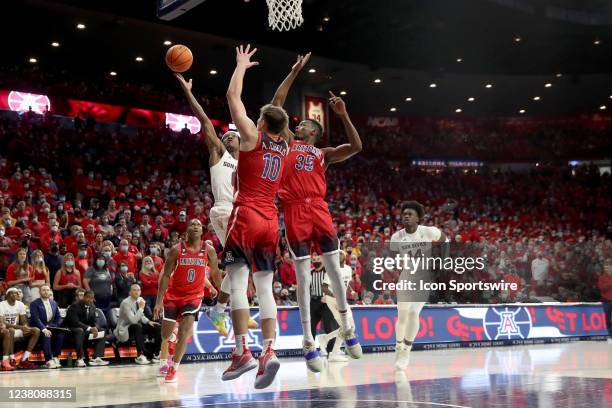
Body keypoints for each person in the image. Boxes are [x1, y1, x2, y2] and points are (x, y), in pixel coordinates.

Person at [271, 54, 363, 371]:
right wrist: (294, 69)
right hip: (294, 209)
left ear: (314, 131)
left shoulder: (323, 153)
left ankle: (348, 326)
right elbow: (276, 104)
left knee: (334, 270)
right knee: (301, 276)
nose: (300, 124)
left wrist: (344, 114)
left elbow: (356, 146)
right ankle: (308, 341)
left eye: (305, 124)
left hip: (318, 208)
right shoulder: (285, 142)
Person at [221, 44, 289, 389]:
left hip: (246, 213)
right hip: (270, 221)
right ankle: (269, 351)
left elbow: (233, 96)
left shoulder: (252, 136)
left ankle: (242, 351)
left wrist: (241, 66)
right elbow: (279, 111)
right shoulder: (285, 146)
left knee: (236, 284)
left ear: (261, 122)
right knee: (265, 287)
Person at [174, 73, 258, 336]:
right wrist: (188, 92)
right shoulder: (218, 154)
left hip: (239, 212)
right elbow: (204, 120)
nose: (229, 137)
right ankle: (223, 311)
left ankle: (225, 310)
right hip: (224, 210)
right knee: (240, 263)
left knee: (241, 264)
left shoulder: (244, 161)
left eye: (233, 136)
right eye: (226, 136)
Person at [154, 219, 218, 383]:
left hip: (194, 296)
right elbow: (166, 275)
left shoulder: (209, 250)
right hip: (173, 295)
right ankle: (170, 343)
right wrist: (159, 300)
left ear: (202, 231)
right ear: (187, 230)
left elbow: (214, 272)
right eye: (192, 224)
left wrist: (216, 289)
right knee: (165, 334)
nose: (196, 226)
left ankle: (173, 369)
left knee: (184, 331)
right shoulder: (176, 250)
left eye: (198, 224)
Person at [390, 201, 446, 370]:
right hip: (406, 277)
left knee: (414, 312)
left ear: (418, 218)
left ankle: (406, 350)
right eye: (404, 213)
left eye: (410, 214)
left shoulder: (429, 231)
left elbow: (446, 241)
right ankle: (398, 345)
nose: (406, 216)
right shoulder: (396, 237)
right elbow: (392, 259)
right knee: (402, 316)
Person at [320, 251, 354, 362]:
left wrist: (351, 291)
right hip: (333, 300)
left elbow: (346, 283)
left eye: (341, 253)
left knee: (350, 327)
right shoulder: (331, 270)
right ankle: (334, 353)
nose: (338, 255)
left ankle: (325, 339)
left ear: (345, 256)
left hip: (342, 299)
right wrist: (333, 295)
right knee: (346, 327)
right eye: (337, 254)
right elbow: (324, 287)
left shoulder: (348, 269)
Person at [114, 284, 161, 364]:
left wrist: (148, 321)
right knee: (137, 326)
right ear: (129, 292)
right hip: (125, 329)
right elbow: (133, 321)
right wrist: (142, 308)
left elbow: (141, 316)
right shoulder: (125, 303)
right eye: (134, 290)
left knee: (156, 326)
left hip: (136, 327)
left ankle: (157, 353)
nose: (137, 292)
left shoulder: (140, 300)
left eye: (138, 290)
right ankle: (140, 355)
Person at [61, 290, 109, 367]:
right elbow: (75, 322)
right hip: (71, 330)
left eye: (92, 298)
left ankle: (96, 358)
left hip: (85, 330)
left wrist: (95, 328)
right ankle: (80, 358)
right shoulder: (74, 306)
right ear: (84, 297)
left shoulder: (93, 306)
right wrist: (90, 328)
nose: (90, 300)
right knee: (79, 330)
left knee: (102, 331)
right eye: (88, 298)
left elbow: (94, 321)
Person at [0, 287, 40, 368]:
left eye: (16, 293)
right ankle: (10, 359)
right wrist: (21, 327)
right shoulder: (2, 304)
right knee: (10, 330)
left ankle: (24, 359)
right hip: (6, 330)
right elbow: (3, 323)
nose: (16, 294)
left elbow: (24, 321)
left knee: (36, 330)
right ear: (7, 295)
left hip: (17, 329)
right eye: (13, 293)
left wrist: (25, 327)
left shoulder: (20, 304)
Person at [29, 285, 64, 368]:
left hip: (50, 327)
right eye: (43, 290)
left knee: (60, 334)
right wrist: (44, 328)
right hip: (38, 327)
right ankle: (48, 360)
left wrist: (53, 326)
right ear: (40, 292)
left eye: (47, 290)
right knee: (46, 335)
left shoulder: (54, 303)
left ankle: (55, 357)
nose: (46, 292)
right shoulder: (34, 303)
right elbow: (35, 318)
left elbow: (58, 317)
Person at [598, 259, 612, 343]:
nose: (606, 268)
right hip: (606, 301)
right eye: (605, 267)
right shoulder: (602, 278)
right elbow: (601, 288)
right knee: (607, 319)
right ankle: (610, 336)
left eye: (608, 266)